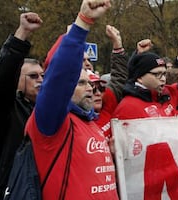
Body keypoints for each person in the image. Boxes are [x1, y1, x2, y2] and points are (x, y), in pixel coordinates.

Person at [25, 1, 118, 199]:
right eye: (80, 83)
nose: (90, 87)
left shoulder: (89, 121)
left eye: (89, 83)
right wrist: (82, 23)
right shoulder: (52, 122)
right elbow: (60, 77)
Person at [0, 12, 42, 199]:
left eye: (42, 75)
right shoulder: (8, 109)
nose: (40, 80)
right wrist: (22, 33)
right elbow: (4, 75)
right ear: (17, 81)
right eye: (32, 76)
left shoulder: (45, 112)